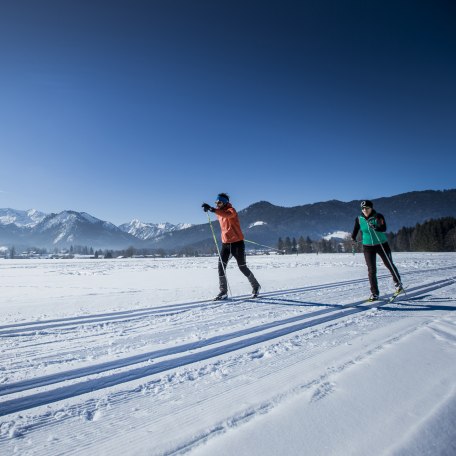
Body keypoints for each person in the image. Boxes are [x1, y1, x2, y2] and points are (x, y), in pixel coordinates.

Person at [202, 193, 261, 300]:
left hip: (237, 244)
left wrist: (212, 209)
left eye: (219, 202)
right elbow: (220, 213)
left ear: (224, 202)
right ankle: (223, 291)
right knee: (221, 268)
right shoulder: (219, 211)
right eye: (216, 203)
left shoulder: (232, 211)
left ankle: (256, 286)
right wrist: (208, 209)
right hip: (225, 244)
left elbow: (227, 215)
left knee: (242, 267)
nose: (217, 204)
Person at [351, 200, 403, 301]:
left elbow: (383, 228)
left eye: (367, 208)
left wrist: (376, 227)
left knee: (389, 264)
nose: (365, 210)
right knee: (371, 270)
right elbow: (356, 229)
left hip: (381, 244)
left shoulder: (378, 216)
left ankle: (398, 283)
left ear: (371, 208)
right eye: (363, 208)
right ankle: (375, 293)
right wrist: (353, 238)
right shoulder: (359, 219)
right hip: (367, 246)